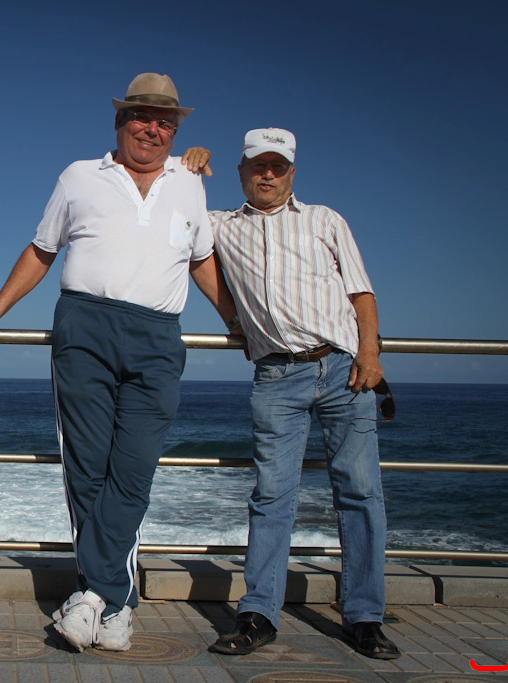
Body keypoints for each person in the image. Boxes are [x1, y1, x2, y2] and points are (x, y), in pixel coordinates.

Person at [0, 73, 239, 652]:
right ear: (119, 121)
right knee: (86, 467)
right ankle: (114, 603)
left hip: (158, 337)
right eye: (141, 116)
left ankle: (94, 595)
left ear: (175, 131)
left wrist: (238, 324)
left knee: (133, 470)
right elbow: (42, 250)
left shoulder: (189, 181)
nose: (152, 129)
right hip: (85, 327)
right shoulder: (79, 175)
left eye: (165, 122)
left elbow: (202, 260)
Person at [206, 128, 400, 660]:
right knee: (271, 496)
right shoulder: (220, 225)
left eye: (278, 166)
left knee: (360, 492)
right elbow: (179, 224)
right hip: (276, 375)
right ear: (242, 172)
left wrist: (369, 353)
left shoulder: (326, 220)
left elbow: (360, 291)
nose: (267, 174)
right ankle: (258, 614)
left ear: (292, 172)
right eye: (257, 165)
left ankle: (365, 616)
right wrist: (187, 161)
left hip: (343, 369)